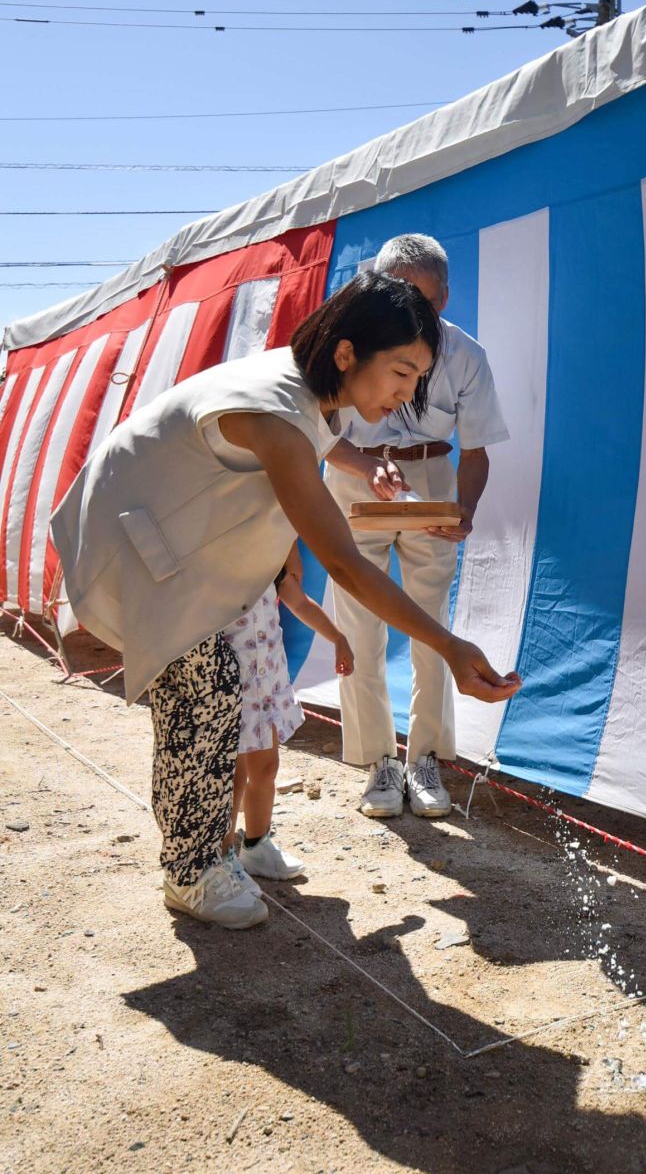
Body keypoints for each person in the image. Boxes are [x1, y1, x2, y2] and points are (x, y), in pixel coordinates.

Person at [51, 272, 521, 930]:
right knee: (205, 693)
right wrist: (448, 645)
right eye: (402, 372)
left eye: (417, 380)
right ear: (347, 353)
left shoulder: (315, 396)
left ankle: (227, 849)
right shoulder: (276, 413)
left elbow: (328, 444)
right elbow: (340, 560)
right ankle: (190, 872)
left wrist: (367, 468)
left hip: (192, 550)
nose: (408, 394)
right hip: (141, 540)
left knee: (226, 695)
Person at [325, 236, 509, 820]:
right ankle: (379, 761)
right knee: (359, 625)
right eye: (400, 297)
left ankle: (425, 758)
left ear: (447, 295)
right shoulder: (345, 347)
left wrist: (466, 510)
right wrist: (360, 464)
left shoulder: (465, 354)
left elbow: (476, 451)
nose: (414, 314)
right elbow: (318, 430)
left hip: (431, 477)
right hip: (356, 474)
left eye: (426, 301)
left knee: (432, 625)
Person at [225, 544, 353, 881]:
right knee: (233, 776)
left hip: (266, 680)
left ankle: (256, 844)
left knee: (266, 767)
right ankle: (221, 855)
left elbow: (297, 600)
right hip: (230, 682)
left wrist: (337, 637)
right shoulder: (219, 555)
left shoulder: (274, 555)